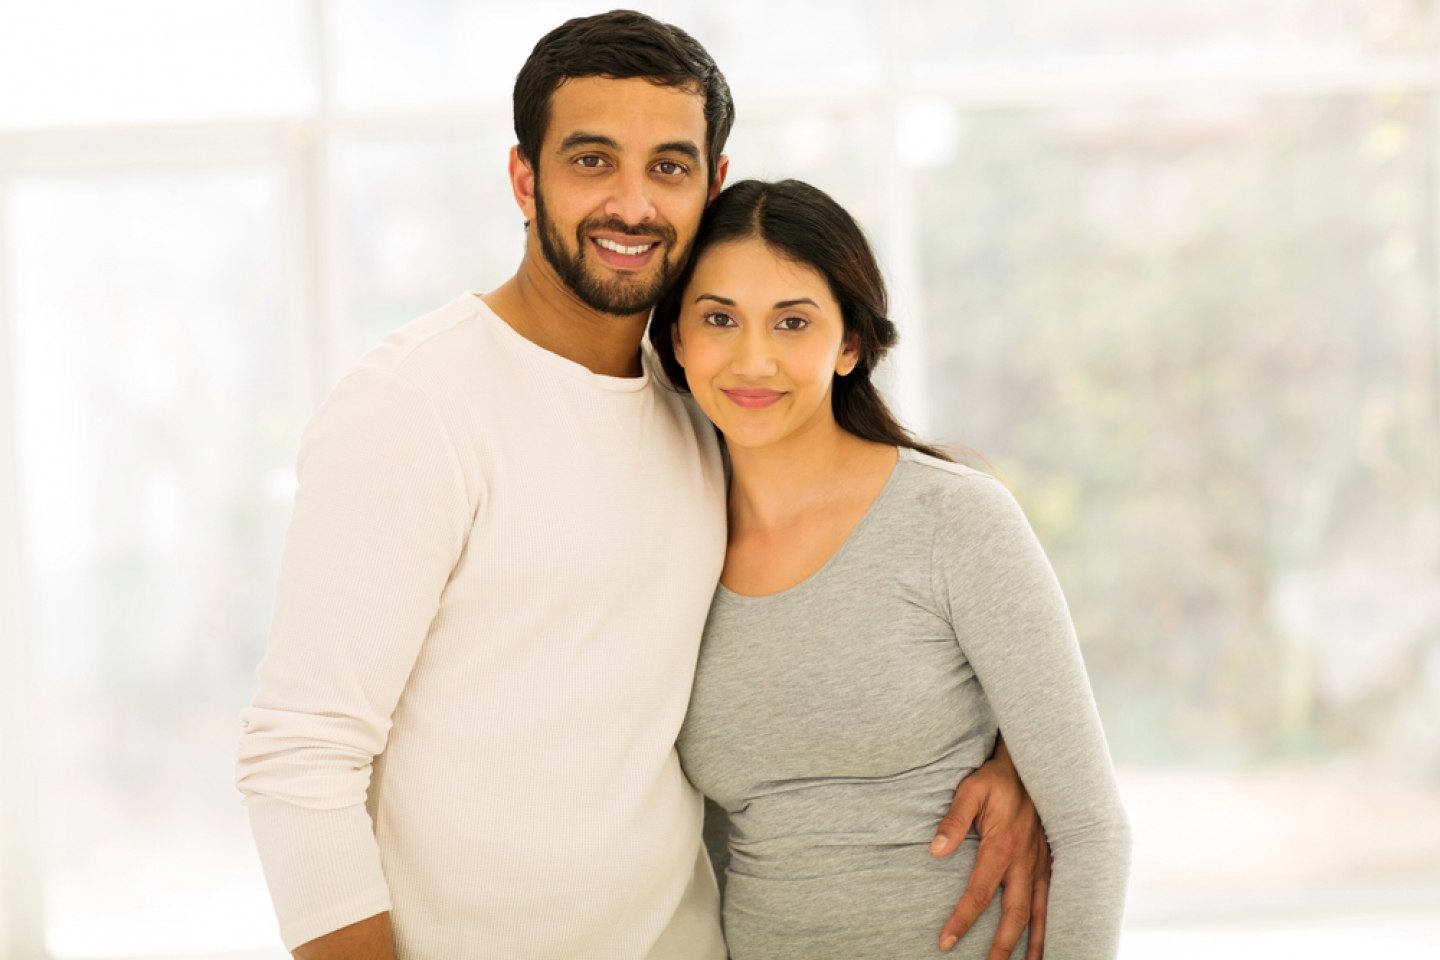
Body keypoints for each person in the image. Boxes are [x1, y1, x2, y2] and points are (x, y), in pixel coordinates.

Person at [234, 11, 1050, 960]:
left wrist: (1010, 749)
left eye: (667, 166)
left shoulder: (706, 415)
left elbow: (850, 600)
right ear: (522, 179)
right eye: (591, 161)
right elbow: (298, 759)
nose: (632, 204)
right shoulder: (412, 406)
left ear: (715, 184)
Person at [651, 178, 1132, 959]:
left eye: (793, 322)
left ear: (849, 345)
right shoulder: (673, 552)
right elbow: (706, 847)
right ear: (676, 338)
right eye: (718, 319)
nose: (753, 358)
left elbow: (1090, 828)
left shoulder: (953, 519)